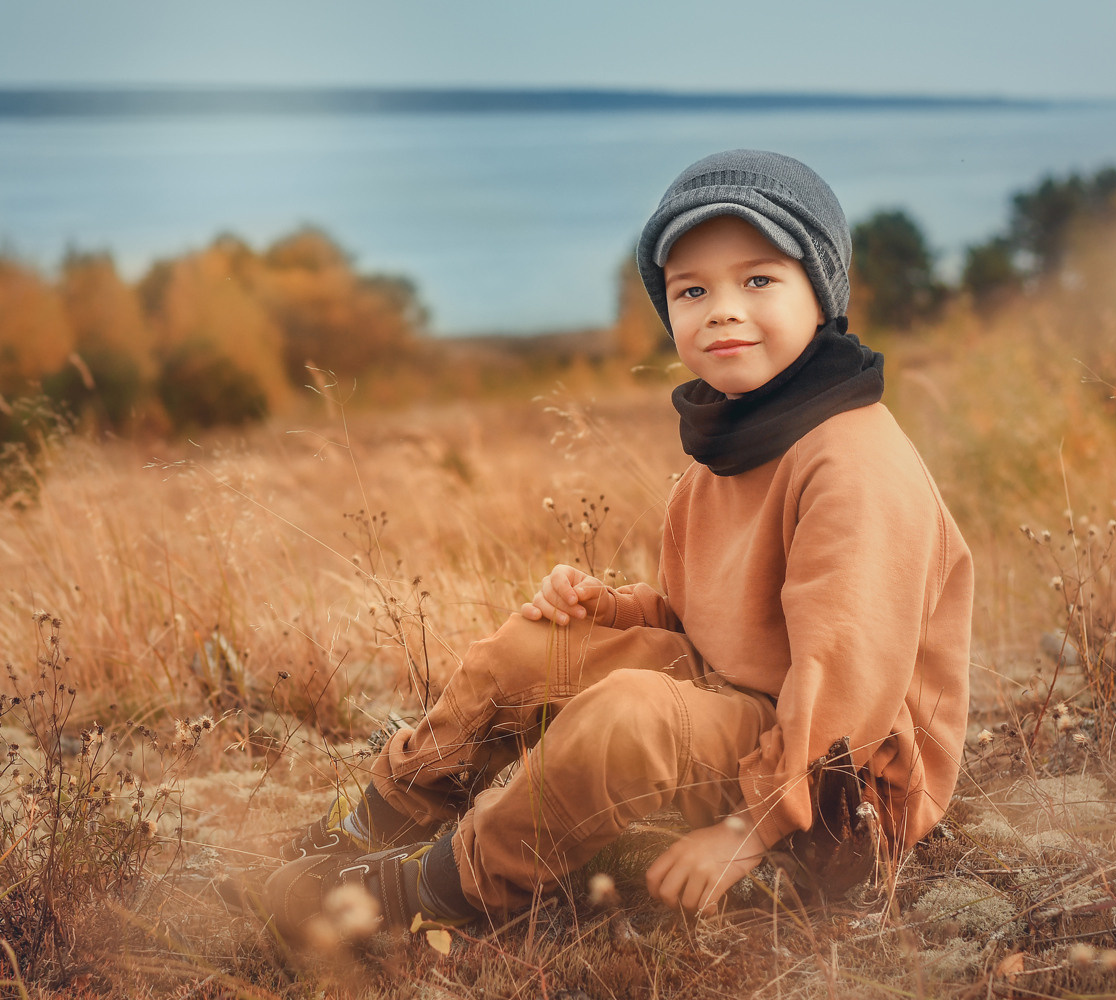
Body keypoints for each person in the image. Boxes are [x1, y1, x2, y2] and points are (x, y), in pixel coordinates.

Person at [262, 149, 973, 941]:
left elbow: (847, 683)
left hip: (842, 782)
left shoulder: (851, 462)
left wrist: (750, 829)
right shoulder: (739, 436)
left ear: (823, 290)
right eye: (692, 290)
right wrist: (612, 610)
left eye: (759, 280)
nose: (723, 310)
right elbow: (712, 622)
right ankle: (367, 831)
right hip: (753, 708)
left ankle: (434, 895)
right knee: (528, 653)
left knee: (625, 718)